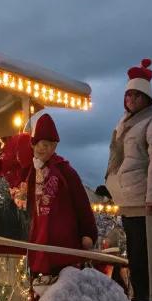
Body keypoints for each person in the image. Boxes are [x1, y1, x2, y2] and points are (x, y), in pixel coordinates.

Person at [105, 58, 152, 301]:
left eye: (136, 96)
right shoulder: (125, 124)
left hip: (150, 207)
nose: (131, 101)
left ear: (147, 98)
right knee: (138, 256)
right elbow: (120, 161)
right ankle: (143, 297)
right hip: (132, 204)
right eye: (128, 96)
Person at [21, 113, 98, 280]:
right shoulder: (31, 173)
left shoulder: (65, 172)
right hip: (40, 242)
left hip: (63, 245)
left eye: (49, 145)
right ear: (33, 145)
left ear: (55, 147)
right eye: (41, 144)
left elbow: (81, 204)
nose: (44, 148)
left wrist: (89, 233)